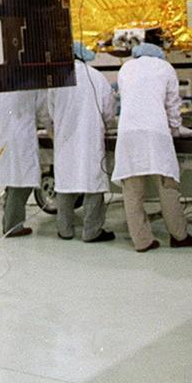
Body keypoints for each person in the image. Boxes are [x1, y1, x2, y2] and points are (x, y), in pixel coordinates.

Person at [113, 43, 192, 252]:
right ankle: (179, 235)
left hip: (128, 133)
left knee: (132, 192)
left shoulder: (125, 68)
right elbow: (172, 105)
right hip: (156, 132)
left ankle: (142, 241)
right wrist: (176, 127)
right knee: (167, 186)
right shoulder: (165, 68)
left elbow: (125, 98)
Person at [48, 41, 118, 242]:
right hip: (90, 138)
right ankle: (92, 231)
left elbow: (51, 112)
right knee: (92, 184)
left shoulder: (57, 80)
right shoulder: (96, 77)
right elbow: (108, 110)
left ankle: (65, 230)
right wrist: (105, 124)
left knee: (65, 183)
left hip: (65, 139)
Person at [0, 89, 45, 237]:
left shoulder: (5, 80)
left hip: (5, 133)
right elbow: (43, 110)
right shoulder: (34, 81)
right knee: (22, 181)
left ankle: (9, 217)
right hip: (22, 136)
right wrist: (50, 127)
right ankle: (13, 227)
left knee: (14, 177)